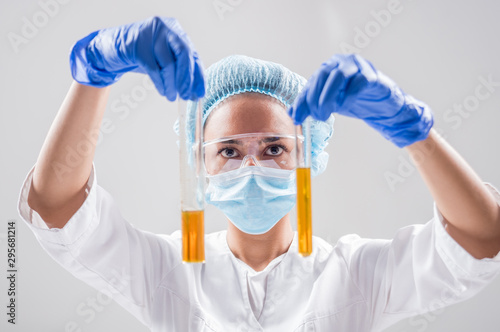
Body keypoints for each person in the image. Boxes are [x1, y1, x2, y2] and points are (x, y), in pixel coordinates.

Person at [17, 16, 500, 332]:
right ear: (198, 166)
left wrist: (412, 132)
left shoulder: (356, 277)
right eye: (228, 150)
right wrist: (94, 73)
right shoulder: (167, 271)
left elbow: (480, 239)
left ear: (309, 158)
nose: (252, 165)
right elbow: (59, 210)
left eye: (273, 148)